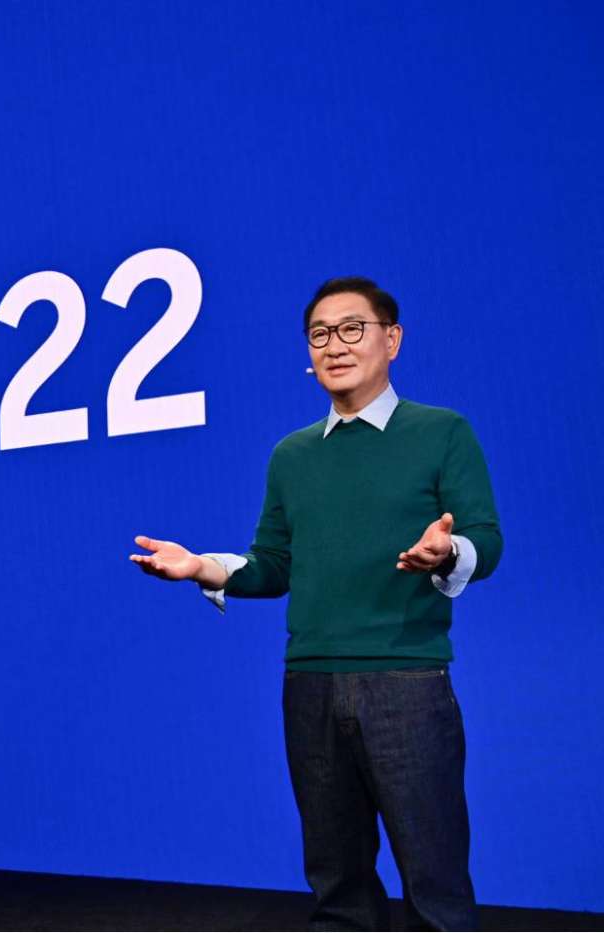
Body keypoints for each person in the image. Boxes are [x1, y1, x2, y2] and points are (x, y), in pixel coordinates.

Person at [129, 277, 502, 931]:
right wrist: (203, 567)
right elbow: (274, 564)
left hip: (406, 683)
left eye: (353, 328)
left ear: (392, 339)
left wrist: (447, 552)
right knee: (337, 886)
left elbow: (487, 541)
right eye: (320, 334)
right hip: (310, 686)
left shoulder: (443, 432)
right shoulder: (291, 455)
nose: (335, 345)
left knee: (436, 884)